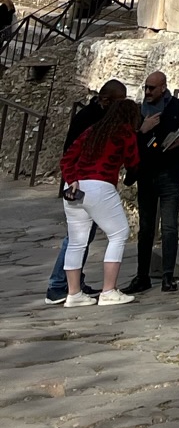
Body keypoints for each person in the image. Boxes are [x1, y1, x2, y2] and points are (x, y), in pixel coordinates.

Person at [58, 77, 140, 304]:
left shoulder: (93, 130)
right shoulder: (125, 132)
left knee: (77, 241)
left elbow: (67, 158)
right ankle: (108, 291)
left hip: (74, 187)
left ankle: (73, 294)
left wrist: (72, 180)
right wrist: (130, 178)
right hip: (100, 185)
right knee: (119, 233)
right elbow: (133, 163)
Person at [126, 70, 179, 293]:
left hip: (170, 173)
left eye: (152, 88)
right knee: (146, 227)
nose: (147, 92)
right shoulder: (138, 111)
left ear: (163, 88)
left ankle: (167, 276)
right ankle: (142, 276)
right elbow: (129, 143)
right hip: (146, 175)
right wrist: (142, 130)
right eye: (146, 87)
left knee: (169, 227)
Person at [44, 91, 102, 304]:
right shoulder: (89, 119)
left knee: (82, 238)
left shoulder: (92, 116)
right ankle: (58, 284)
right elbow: (70, 153)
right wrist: (73, 179)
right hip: (81, 184)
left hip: (83, 182)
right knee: (77, 238)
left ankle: (73, 282)